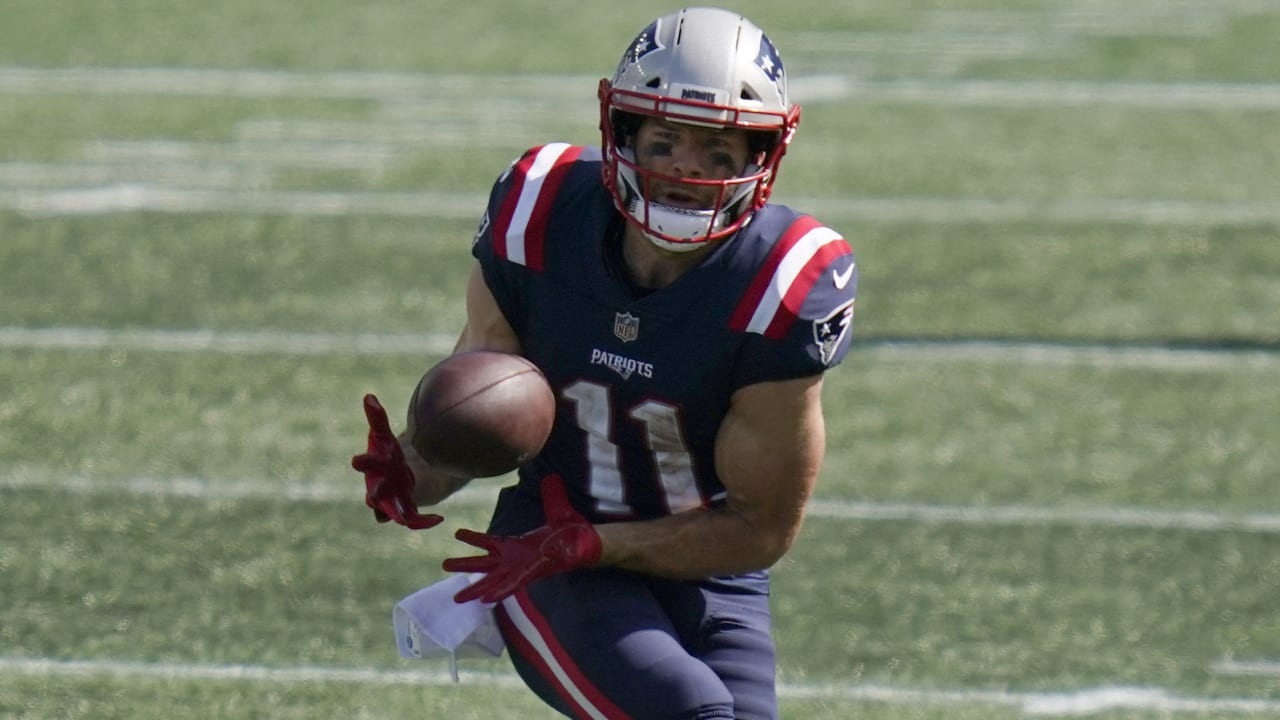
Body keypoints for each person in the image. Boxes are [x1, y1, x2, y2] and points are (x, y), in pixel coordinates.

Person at [352, 7, 857, 719]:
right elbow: (489, 411)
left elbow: (760, 529)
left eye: (718, 151)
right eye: (666, 139)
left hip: (704, 563)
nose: (687, 167)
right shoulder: (541, 210)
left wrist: (598, 543)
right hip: (542, 555)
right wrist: (417, 464)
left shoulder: (784, 281)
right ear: (620, 132)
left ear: (760, 158)